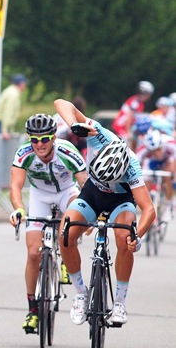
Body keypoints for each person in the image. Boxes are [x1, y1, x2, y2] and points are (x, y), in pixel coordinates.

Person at [53, 98, 155, 326]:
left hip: (120, 199)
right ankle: (81, 293)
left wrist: (138, 236)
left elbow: (148, 209)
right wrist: (73, 124)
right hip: (92, 192)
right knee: (65, 234)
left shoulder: (132, 165)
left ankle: (119, 302)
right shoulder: (97, 134)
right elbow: (61, 103)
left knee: (124, 237)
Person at [8, 114, 88, 334]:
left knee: (67, 228)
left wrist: (90, 211)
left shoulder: (68, 151)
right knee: (33, 253)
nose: (39, 144)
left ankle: (66, 255)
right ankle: (33, 309)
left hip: (67, 193)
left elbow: (85, 184)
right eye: (34, 139)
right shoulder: (24, 153)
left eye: (44, 139)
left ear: (53, 138)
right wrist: (19, 209)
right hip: (39, 196)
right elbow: (15, 186)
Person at [136, 129, 175, 222]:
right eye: (154, 150)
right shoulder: (143, 149)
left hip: (168, 159)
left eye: (158, 149)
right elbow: (136, 165)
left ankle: (167, 207)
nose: (157, 152)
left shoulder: (171, 144)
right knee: (144, 181)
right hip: (151, 161)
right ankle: (149, 203)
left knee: (168, 178)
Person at [0, 73, 28, 140]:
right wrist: (4, 131)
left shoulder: (10, 90)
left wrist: (11, 130)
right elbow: (8, 112)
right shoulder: (13, 94)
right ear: (21, 84)